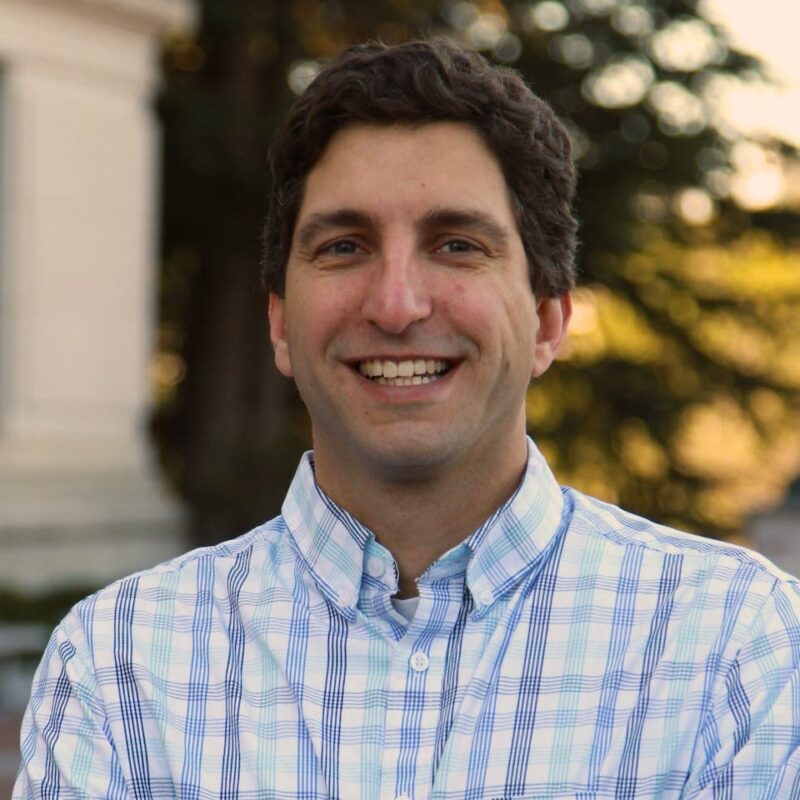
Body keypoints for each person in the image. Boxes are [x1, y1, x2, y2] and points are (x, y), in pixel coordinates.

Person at [14, 38, 800, 800]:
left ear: (550, 321)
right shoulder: (119, 667)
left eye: (456, 244)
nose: (396, 305)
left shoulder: (737, 649)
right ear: (281, 324)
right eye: (345, 246)